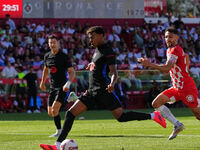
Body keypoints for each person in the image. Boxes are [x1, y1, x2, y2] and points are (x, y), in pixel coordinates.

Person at [39, 26, 166, 150]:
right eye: (89, 38)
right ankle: (57, 145)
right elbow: (100, 66)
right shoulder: (97, 49)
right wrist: (92, 65)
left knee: (121, 117)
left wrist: (112, 84)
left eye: (92, 37)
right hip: (91, 91)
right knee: (70, 113)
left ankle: (154, 116)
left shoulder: (108, 50)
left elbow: (114, 72)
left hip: (104, 90)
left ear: (101, 36)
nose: (90, 40)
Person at [138, 26, 200, 140]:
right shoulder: (169, 50)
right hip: (176, 88)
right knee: (156, 103)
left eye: (170, 37)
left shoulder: (175, 49)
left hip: (187, 88)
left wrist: (149, 64)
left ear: (177, 37)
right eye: (166, 37)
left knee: (198, 115)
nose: (168, 39)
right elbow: (180, 62)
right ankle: (177, 124)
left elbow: (167, 68)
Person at [40, 35, 75, 137]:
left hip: (62, 87)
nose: (52, 44)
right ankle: (68, 99)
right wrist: (42, 82)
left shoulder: (64, 56)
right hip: (52, 87)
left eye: (54, 42)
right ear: (48, 44)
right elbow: (45, 70)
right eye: (50, 42)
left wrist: (68, 83)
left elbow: (72, 72)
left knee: (55, 110)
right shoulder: (47, 56)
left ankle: (59, 132)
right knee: (51, 113)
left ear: (58, 43)